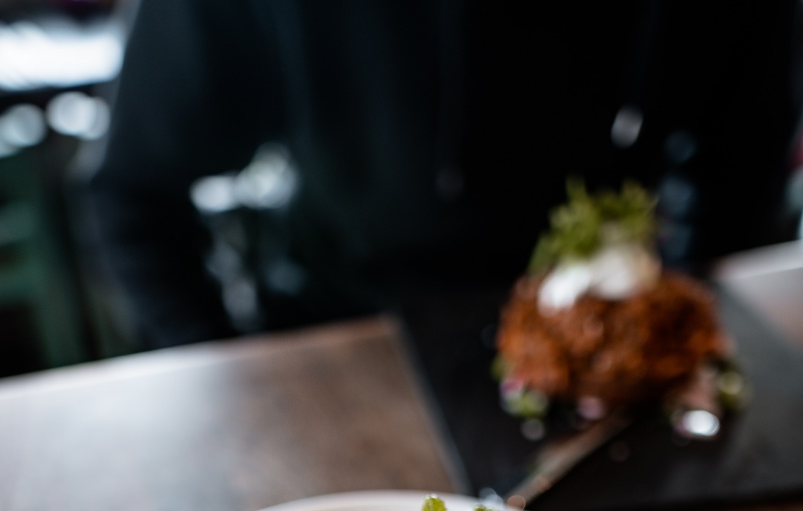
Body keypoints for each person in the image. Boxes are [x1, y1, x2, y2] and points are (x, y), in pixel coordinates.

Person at [89, 0, 801, 351]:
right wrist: (232, 367)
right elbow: (132, 191)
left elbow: (744, 158)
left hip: (603, 339)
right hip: (345, 329)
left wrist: (670, 312)